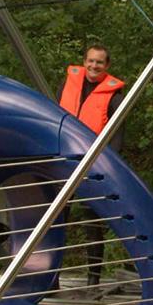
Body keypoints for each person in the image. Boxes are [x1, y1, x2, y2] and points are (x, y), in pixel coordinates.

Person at [56, 45, 125, 287]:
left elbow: (116, 136)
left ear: (107, 67)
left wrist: (105, 168)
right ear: (84, 62)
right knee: (55, 222)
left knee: (92, 223)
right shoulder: (67, 86)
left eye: (99, 63)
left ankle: (92, 279)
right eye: (91, 61)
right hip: (63, 163)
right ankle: (51, 278)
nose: (94, 66)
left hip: (93, 167)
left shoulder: (114, 98)